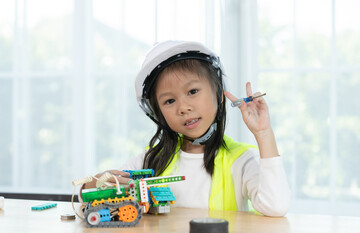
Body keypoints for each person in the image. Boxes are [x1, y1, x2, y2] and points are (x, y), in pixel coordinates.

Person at [83, 40, 290, 217]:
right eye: (169, 101)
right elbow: (90, 193)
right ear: (159, 114)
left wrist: (263, 134)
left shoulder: (242, 159)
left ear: (219, 95)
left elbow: (276, 207)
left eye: (192, 91)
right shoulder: (150, 160)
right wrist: (95, 183)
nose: (183, 108)